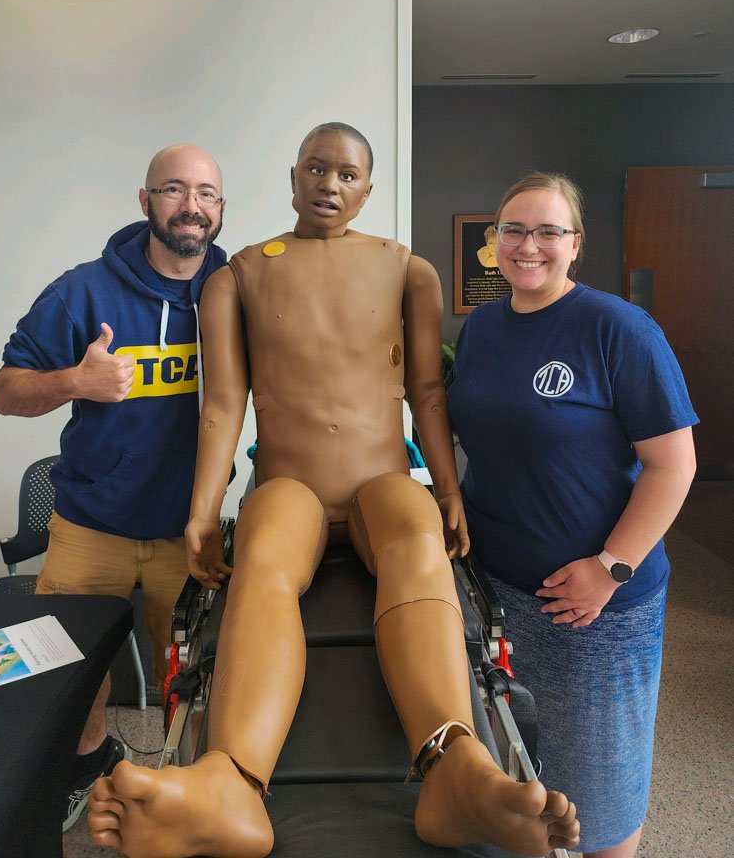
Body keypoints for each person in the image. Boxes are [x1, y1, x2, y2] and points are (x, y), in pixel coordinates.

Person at [88, 124, 580, 858]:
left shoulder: (406, 270)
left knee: (418, 541)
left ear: (368, 190)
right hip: (292, 484)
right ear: (292, 176)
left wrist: (446, 488)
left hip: (384, 480)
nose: (329, 185)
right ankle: (232, 784)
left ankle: (456, 770)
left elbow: (426, 393)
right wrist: (200, 514)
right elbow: (221, 405)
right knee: (260, 562)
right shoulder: (238, 277)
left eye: (348, 175)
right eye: (316, 169)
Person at [446, 171, 698, 858]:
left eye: (548, 231)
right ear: (493, 244)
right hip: (496, 585)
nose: (529, 246)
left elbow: (674, 467)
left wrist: (610, 568)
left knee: (599, 792)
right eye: (513, 231)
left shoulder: (617, 328)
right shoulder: (484, 328)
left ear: (576, 244)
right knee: (516, 769)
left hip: (595, 605)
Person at [0, 144, 228, 831]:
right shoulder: (84, 290)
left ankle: (187, 793)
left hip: (192, 530)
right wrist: (75, 382)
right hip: (91, 523)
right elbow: (6, 391)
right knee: (72, 673)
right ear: (145, 200)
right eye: (174, 189)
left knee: (201, 677)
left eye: (207, 193)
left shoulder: (236, 289)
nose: (191, 205)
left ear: (220, 207)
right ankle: (88, 764)